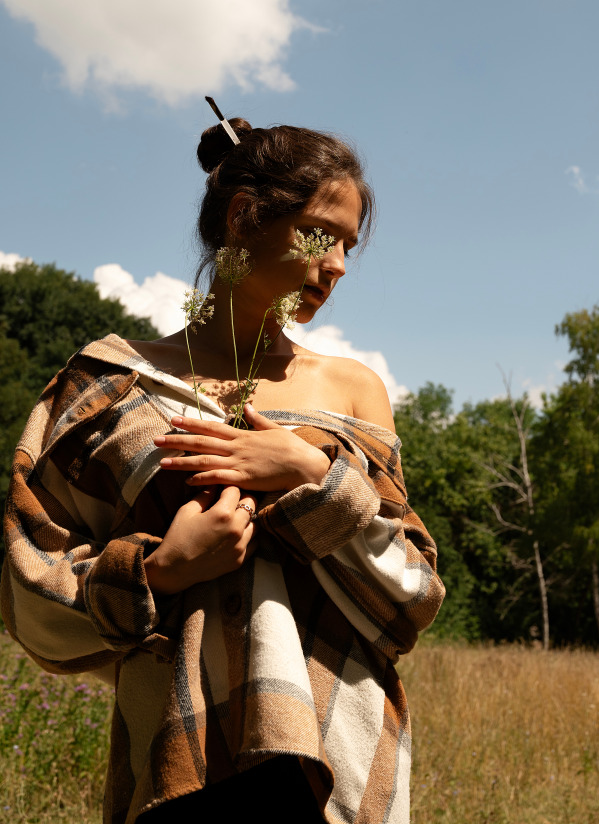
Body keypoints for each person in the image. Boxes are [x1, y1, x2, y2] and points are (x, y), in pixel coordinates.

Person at [1, 115, 445, 824]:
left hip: (339, 766)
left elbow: (413, 599)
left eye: (348, 249)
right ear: (244, 217)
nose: (336, 266)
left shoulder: (354, 390)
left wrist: (309, 472)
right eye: (321, 235)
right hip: (178, 762)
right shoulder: (110, 383)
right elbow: (30, 599)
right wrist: (161, 570)